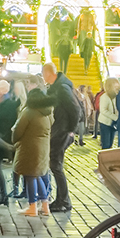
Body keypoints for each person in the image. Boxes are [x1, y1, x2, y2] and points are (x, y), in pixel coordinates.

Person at [41, 62, 78, 212]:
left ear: (49, 73)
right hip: (60, 128)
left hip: (62, 130)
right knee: (55, 165)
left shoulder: (62, 88)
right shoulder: (57, 87)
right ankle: (61, 200)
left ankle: (64, 201)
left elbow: (74, 108)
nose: (43, 77)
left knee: (56, 165)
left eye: (44, 74)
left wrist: (70, 130)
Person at [12, 88, 54, 217]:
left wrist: (14, 139)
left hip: (29, 148)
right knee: (39, 174)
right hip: (43, 148)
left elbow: (18, 130)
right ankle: (45, 205)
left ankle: (32, 206)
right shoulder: (47, 113)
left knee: (30, 176)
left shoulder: (29, 112)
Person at [97, 78, 119, 147]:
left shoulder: (116, 96)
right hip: (105, 123)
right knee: (106, 143)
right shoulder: (104, 96)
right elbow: (103, 110)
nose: (116, 88)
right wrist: (115, 117)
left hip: (113, 123)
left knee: (110, 143)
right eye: (115, 87)